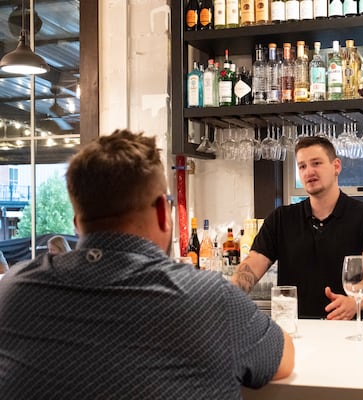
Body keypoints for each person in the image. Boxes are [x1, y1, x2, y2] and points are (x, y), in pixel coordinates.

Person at [0, 129, 294, 398]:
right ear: (163, 213)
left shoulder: (14, 291)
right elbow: (282, 360)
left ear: (77, 224)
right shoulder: (208, 298)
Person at [233, 135, 363, 319]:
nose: (309, 171)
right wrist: (224, 297)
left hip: (353, 331)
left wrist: (355, 302)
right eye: (302, 166)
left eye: (316, 163)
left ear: (336, 166)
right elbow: (252, 265)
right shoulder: (281, 219)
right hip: (298, 333)